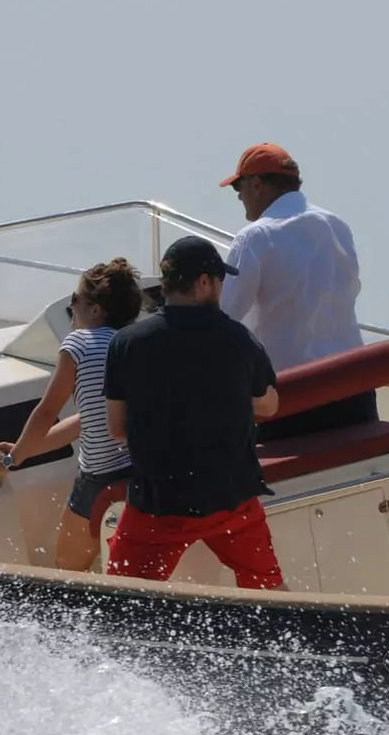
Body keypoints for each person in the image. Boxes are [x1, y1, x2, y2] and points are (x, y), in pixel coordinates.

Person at [103, 235, 285, 590]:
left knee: (122, 600)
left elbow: (117, 429)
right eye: (220, 279)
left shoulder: (125, 343)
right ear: (204, 282)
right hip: (231, 502)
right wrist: (224, 397)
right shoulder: (239, 340)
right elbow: (269, 405)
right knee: (268, 590)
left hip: (158, 504)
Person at [0, 258, 145, 571]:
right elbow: (87, 420)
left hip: (100, 480)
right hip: (140, 473)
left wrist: (10, 462)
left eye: (75, 299)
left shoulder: (79, 343)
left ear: (95, 310)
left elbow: (46, 412)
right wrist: (20, 451)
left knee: (68, 571)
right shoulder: (133, 345)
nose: (71, 306)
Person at [215, 142, 373, 441]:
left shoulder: (254, 237)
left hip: (294, 400)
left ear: (257, 185)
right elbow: (351, 288)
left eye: (238, 187)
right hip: (355, 392)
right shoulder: (337, 225)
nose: (238, 196)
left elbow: (223, 319)